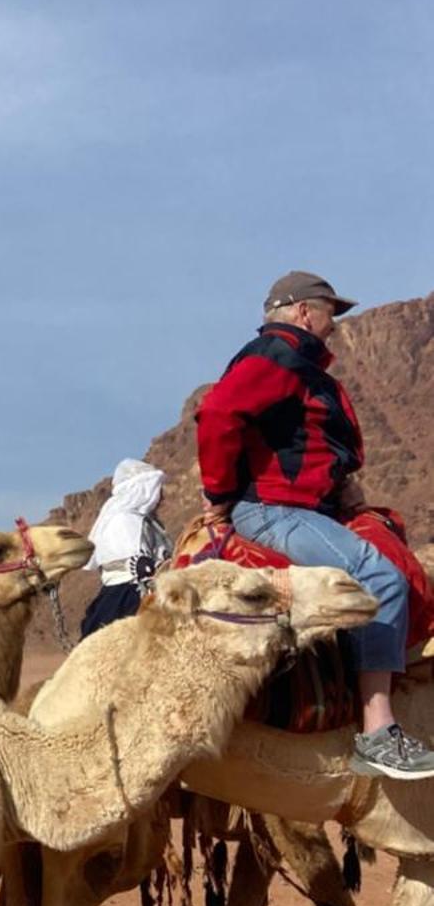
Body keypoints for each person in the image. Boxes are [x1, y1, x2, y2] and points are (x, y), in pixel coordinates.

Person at [195, 269, 434, 780]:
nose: (336, 326)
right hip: (272, 511)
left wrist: (341, 485)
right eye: (331, 313)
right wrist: (218, 495)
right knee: (379, 581)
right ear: (304, 312)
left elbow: (303, 443)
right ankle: (376, 730)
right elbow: (218, 414)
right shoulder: (277, 355)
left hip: (304, 506)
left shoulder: (299, 366)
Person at [79, 459, 171, 638]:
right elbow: (141, 568)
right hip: (127, 598)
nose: (162, 496)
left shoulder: (147, 522)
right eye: (158, 489)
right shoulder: (125, 520)